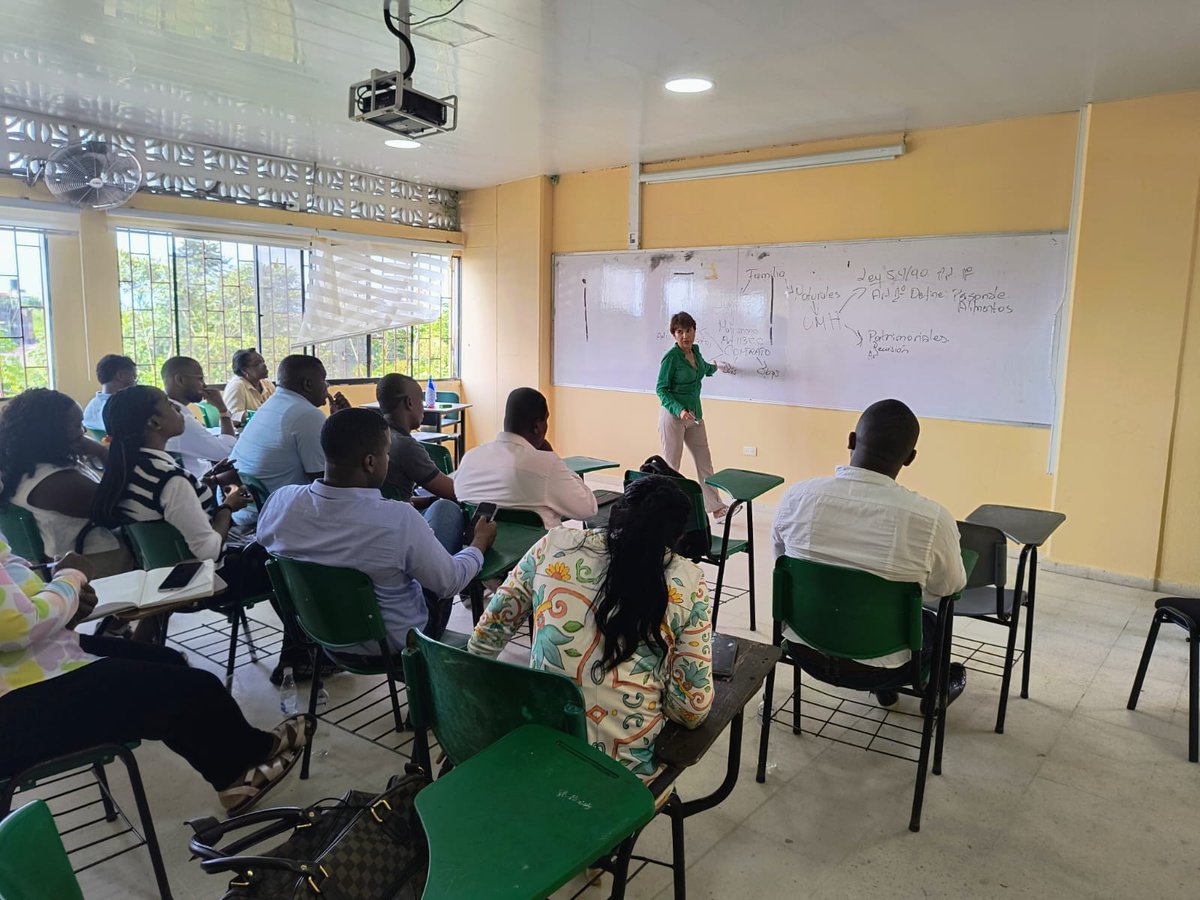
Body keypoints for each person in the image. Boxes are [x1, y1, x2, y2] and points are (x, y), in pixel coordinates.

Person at [0, 538, 314, 814]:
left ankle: (235, 773)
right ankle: (250, 758)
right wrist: (70, 577)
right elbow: (18, 625)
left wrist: (65, 603)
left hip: (35, 661)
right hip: (16, 707)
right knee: (192, 688)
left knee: (169, 661)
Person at [469, 474, 713, 780]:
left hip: (536, 754)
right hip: (619, 780)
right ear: (677, 539)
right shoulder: (688, 581)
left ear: (615, 513)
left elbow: (484, 639)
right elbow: (692, 710)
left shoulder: (553, 545)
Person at [770, 398, 968, 707]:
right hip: (886, 668)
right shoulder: (932, 520)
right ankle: (933, 692)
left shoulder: (796, 497)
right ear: (910, 458)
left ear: (851, 440)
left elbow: (781, 563)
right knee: (932, 620)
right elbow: (948, 588)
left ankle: (886, 688)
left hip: (803, 650)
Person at [257, 408, 496, 656]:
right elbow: (449, 584)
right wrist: (478, 543)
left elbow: (265, 542)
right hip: (397, 642)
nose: (388, 460)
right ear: (370, 462)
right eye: (387, 453)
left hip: (321, 634)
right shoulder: (398, 520)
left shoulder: (281, 501)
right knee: (444, 511)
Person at [91, 386, 253, 641]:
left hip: (158, 570)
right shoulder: (171, 480)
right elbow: (208, 551)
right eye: (168, 404)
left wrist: (202, 484)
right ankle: (300, 653)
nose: (177, 409)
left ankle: (142, 652)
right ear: (154, 422)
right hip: (199, 578)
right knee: (281, 561)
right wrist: (227, 508)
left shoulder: (127, 468)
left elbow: (163, 508)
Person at [0, 389, 132, 577]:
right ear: (52, 433)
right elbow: (125, 505)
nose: (83, 431)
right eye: (77, 425)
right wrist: (102, 453)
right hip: (98, 564)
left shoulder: (24, 468)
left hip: (66, 562)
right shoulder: (58, 484)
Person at [229, 354, 350, 527]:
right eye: (323, 380)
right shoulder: (307, 415)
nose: (327, 386)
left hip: (242, 507)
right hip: (267, 515)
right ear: (308, 384)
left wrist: (337, 422)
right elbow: (327, 482)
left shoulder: (274, 404)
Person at [454, 387, 597, 528]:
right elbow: (588, 509)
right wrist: (553, 457)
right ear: (537, 426)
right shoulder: (546, 465)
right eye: (546, 420)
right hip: (537, 550)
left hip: (481, 548)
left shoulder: (470, 458)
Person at [655, 311, 735, 520]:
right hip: (673, 417)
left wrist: (717, 367)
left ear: (694, 331)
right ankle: (667, 510)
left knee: (704, 461)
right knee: (672, 465)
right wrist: (679, 409)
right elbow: (661, 389)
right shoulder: (671, 358)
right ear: (674, 335)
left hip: (695, 416)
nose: (684, 336)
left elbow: (703, 369)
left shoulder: (696, 352)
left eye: (688, 331)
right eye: (679, 332)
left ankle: (716, 508)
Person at [161, 356, 238, 478]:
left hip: (198, 472)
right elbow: (227, 451)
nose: (204, 385)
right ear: (180, 380)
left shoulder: (165, 410)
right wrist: (222, 410)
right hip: (197, 486)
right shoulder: (179, 419)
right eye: (200, 379)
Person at [81, 354, 137, 433]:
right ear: (120, 375)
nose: (135, 382)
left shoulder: (91, 406)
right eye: (134, 377)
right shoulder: (124, 406)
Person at [223, 347, 276, 423]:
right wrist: (250, 415)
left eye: (263, 362)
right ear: (244, 370)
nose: (264, 366)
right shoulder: (237, 386)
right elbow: (230, 417)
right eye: (257, 364)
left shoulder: (268, 384)